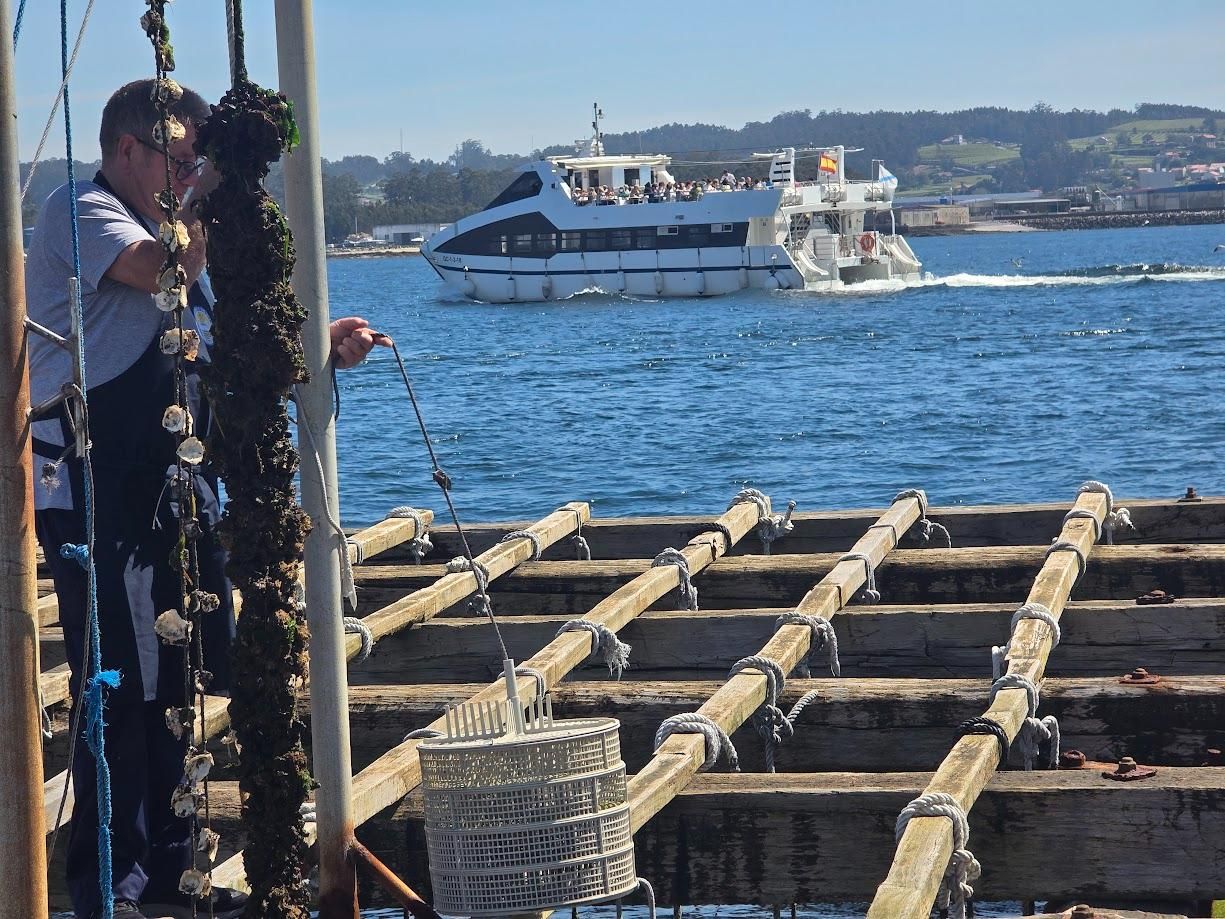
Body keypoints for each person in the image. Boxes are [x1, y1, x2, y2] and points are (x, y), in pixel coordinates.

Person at [26, 79, 376, 919]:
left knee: (183, 684)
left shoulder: (169, 226)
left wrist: (318, 350)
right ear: (126, 150)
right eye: (178, 161)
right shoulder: (83, 211)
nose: (187, 177)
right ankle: (115, 891)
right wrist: (220, 183)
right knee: (122, 687)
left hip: (173, 496)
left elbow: (227, 354)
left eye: (193, 162)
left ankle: (178, 882)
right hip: (94, 492)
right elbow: (164, 269)